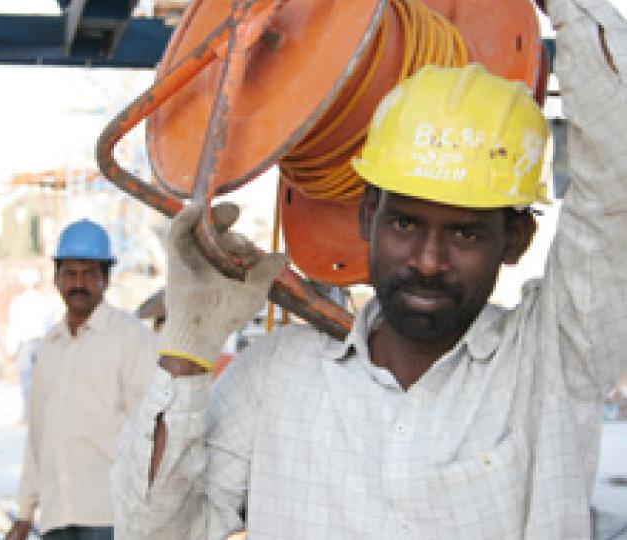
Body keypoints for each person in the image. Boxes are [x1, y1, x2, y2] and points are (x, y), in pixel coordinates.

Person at [113, 2, 627, 538]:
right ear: (367, 217)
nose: (428, 261)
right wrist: (188, 344)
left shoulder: (553, 361)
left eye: (465, 233)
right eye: (405, 224)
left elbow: (618, 170)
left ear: (516, 240)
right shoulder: (276, 378)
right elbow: (154, 531)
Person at [6, 219, 157, 540]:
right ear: (57, 278)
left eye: (89, 274)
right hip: (57, 513)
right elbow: (37, 437)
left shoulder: (131, 338)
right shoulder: (50, 345)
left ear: (106, 279)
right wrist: (24, 513)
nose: (79, 283)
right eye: (70, 273)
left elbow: (151, 430)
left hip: (110, 516)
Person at [5, 268, 57, 422]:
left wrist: (11, 349)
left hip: (25, 345)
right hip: (43, 344)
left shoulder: (18, 302)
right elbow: (52, 325)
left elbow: (14, 327)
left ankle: (29, 415)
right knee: (43, 381)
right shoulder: (46, 301)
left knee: (27, 381)